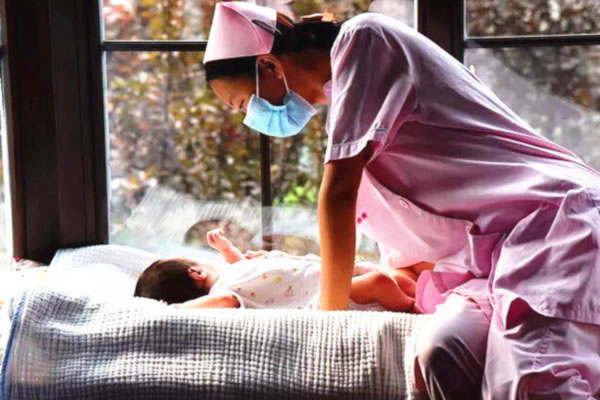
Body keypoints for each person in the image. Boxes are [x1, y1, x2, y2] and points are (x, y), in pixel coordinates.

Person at [201, 2, 600, 398]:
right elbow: (408, 247)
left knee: (532, 380)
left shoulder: (364, 40)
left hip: (551, 226)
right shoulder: (356, 118)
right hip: (489, 263)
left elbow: (337, 194)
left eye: (243, 103)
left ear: (269, 66)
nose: (250, 118)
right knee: (441, 354)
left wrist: (327, 321)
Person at [134, 229, 425, 312]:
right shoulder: (224, 293)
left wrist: (226, 249)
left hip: (329, 273)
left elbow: (241, 267)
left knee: (396, 278)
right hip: (324, 296)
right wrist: (175, 310)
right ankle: (414, 310)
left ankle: (424, 296)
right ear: (196, 273)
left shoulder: (233, 274)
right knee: (379, 282)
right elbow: (224, 300)